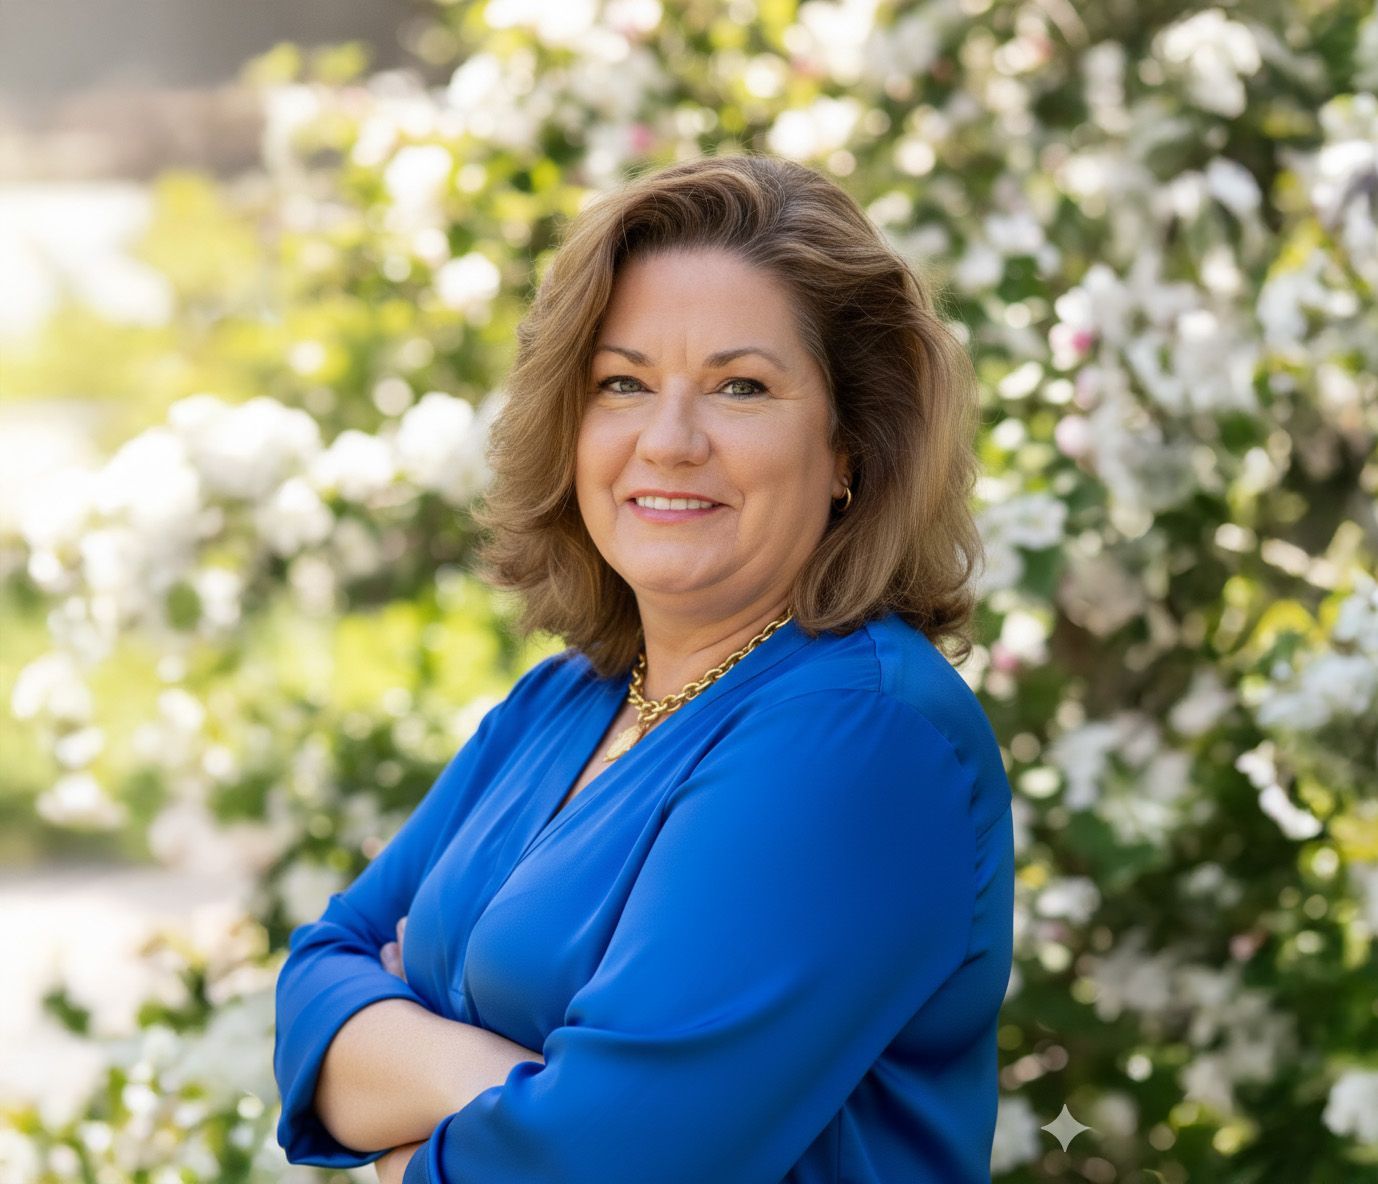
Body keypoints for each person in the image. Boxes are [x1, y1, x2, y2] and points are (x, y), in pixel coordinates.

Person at [273, 152, 1014, 1184]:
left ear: (851, 444)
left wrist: (404, 1152)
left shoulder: (860, 737)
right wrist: (517, 1087)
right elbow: (316, 983)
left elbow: (599, 1170)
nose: (667, 441)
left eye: (739, 386)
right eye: (622, 383)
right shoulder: (567, 698)